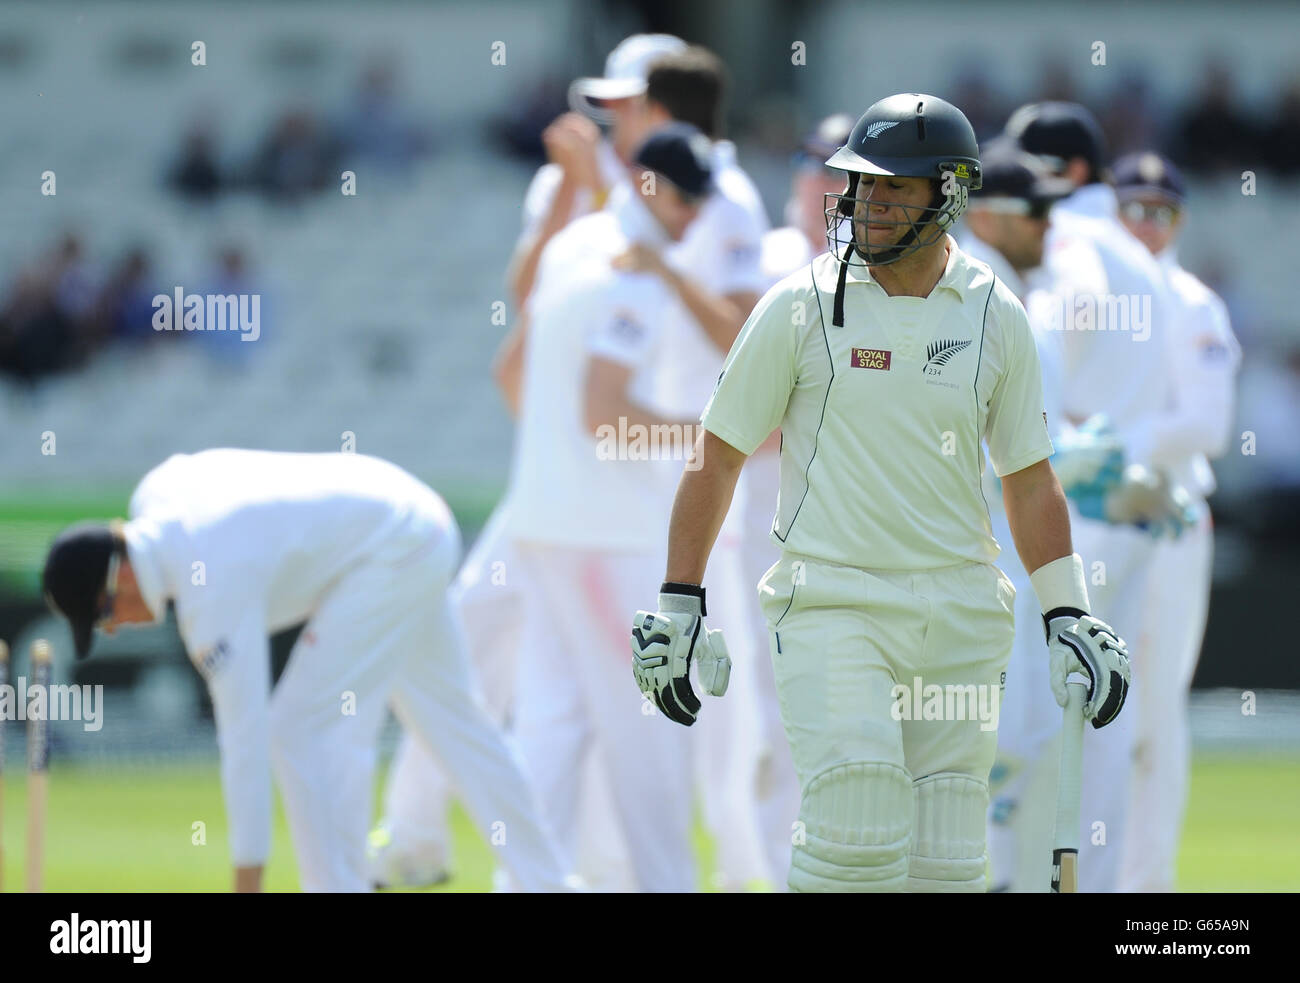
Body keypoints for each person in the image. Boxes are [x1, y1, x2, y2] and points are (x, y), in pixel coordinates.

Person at [631, 93, 1132, 893]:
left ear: (950, 194)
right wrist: (679, 604)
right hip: (834, 603)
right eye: (862, 185)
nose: (870, 203)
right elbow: (716, 456)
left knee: (945, 862)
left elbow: (1030, 478)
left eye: (896, 187)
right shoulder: (798, 304)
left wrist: (1069, 612)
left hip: (962, 614)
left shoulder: (994, 315)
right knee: (856, 830)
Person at [41, 449, 571, 893]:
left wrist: (246, 884)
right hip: (413, 518)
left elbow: (244, 745)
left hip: (393, 548)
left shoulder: (211, 598)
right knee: (460, 723)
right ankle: (546, 882)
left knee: (301, 726)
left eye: (103, 613)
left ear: (123, 576)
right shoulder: (158, 494)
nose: (111, 629)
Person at [503, 124, 717, 892]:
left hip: (541, 517)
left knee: (550, 722)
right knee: (649, 727)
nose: (696, 216)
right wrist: (714, 436)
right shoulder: (633, 276)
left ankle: (525, 882)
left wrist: (552, 456)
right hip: (606, 534)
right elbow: (605, 416)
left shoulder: (575, 243)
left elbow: (513, 368)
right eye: (690, 198)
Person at [1005, 102, 1179, 891]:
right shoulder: (1141, 255)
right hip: (1134, 501)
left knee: (1040, 707)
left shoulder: (1070, 236)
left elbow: (1057, 324)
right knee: (1106, 712)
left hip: (1078, 499)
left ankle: (1013, 873)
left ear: (1065, 174)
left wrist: (1060, 424)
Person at [1112, 151, 1241, 892]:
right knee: (1094, 709)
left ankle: (1145, 891)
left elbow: (1209, 423)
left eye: (1159, 211)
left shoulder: (1193, 303)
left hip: (1166, 517)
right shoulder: (1088, 298)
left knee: (1155, 717)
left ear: (1179, 221)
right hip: (1097, 520)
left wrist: (1113, 440)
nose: (1144, 225)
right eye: (1132, 207)